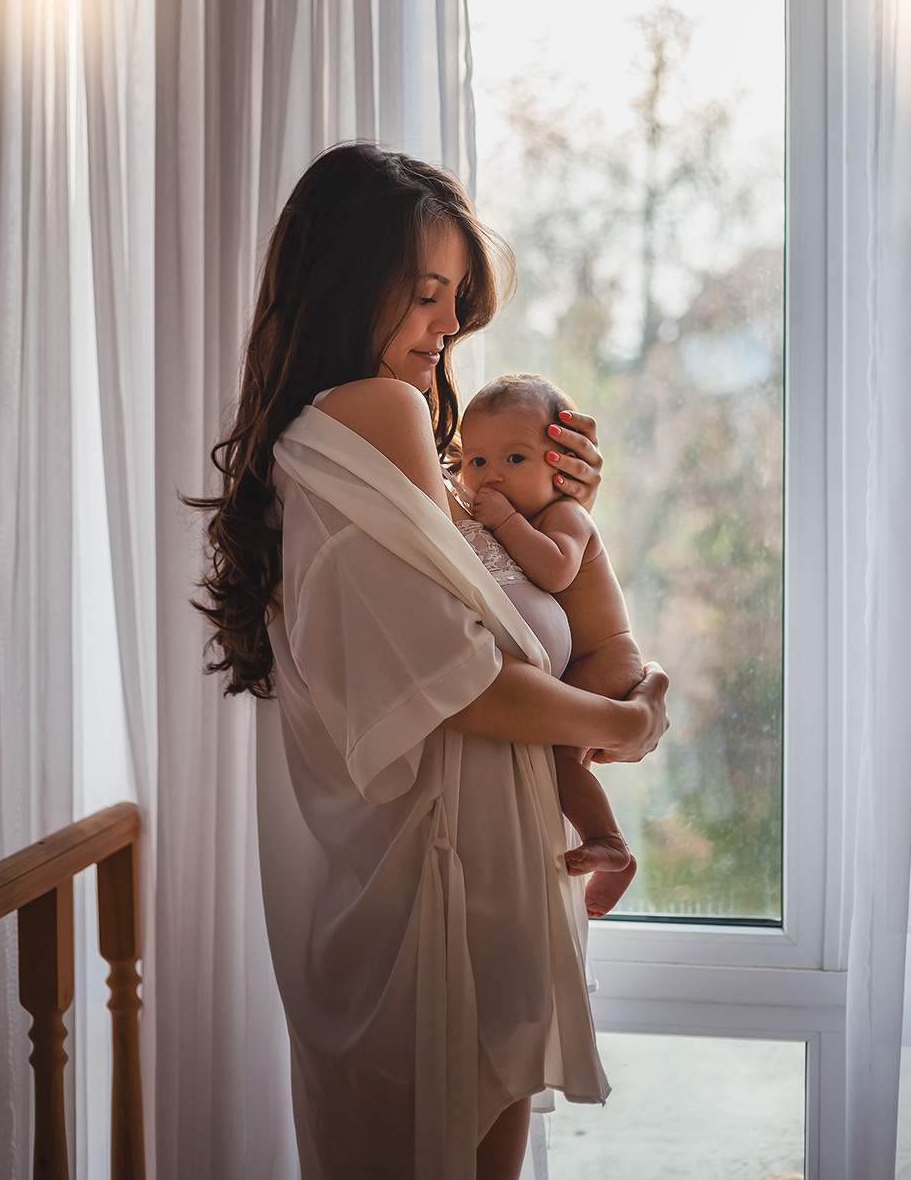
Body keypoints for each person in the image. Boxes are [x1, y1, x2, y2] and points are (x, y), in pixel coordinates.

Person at [191, 142, 669, 1180]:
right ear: (345, 286)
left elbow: (509, 632)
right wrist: (625, 724)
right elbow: (464, 681)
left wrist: (559, 518)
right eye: (424, 294)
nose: (449, 324)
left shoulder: (374, 460)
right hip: (434, 912)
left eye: (456, 297)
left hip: (472, 898)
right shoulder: (375, 414)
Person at [455, 373, 645, 919]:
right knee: (561, 756)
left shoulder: (565, 515)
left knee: (564, 756)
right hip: (585, 661)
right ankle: (606, 842)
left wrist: (506, 522)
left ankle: (610, 843)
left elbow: (556, 571)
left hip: (606, 659)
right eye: (476, 461)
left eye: (515, 459)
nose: (492, 476)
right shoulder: (523, 516)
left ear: (560, 464)